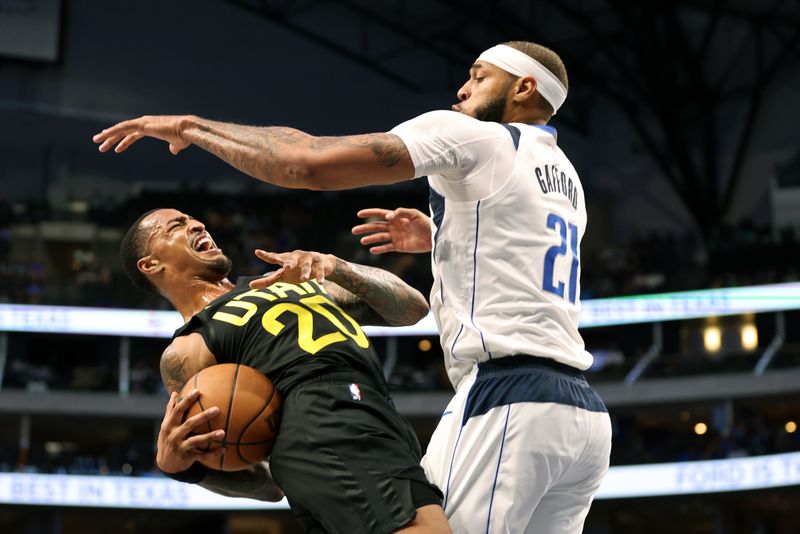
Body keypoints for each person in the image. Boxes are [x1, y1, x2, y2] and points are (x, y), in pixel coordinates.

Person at [95, 40, 612, 533]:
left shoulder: (475, 135)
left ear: (522, 88)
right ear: (149, 266)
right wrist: (443, 237)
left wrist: (190, 126)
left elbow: (306, 163)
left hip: (509, 395)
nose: (460, 91)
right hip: (580, 413)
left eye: (478, 77)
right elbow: (518, 242)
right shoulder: (565, 176)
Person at [121, 208, 451, 533]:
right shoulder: (190, 347)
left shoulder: (285, 282)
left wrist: (336, 266)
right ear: (151, 264)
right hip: (328, 421)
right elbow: (264, 484)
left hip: (371, 414)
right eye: (176, 225)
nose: (197, 224)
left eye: (193, 218)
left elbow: (411, 308)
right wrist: (186, 469)